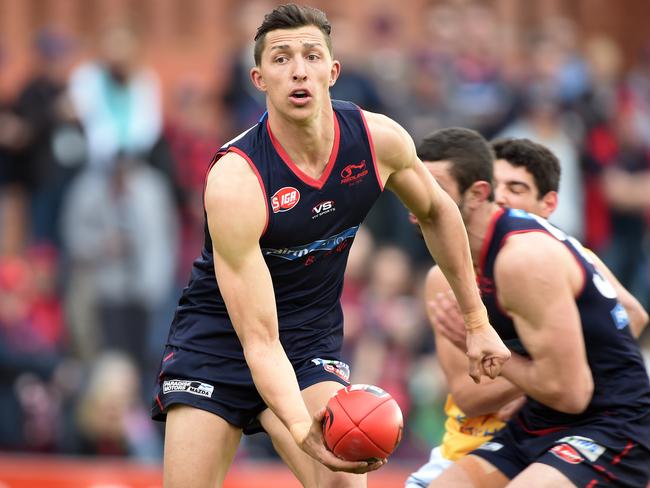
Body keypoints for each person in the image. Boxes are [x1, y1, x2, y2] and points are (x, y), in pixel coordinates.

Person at [150, 5, 510, 488]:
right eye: (281, 59)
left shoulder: (377, 140)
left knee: (343, 483)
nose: (298, 69)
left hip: (305, 342)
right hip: (219, 342)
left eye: (311, 55)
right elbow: (259, 340)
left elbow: (438, 211)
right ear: (259, 78)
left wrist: (477, 321)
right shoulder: (237, 180)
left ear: (332, 70)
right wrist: (301, 428)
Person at [410, 128, 650, 487]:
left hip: (610, 424)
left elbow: (571, 393)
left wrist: (489, 344)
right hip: (537, 420)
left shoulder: (522, 259)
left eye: (434, 188)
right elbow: (470, 393)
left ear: (477, 194)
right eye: (412, 186)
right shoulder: (453, 264)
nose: (417, 199)